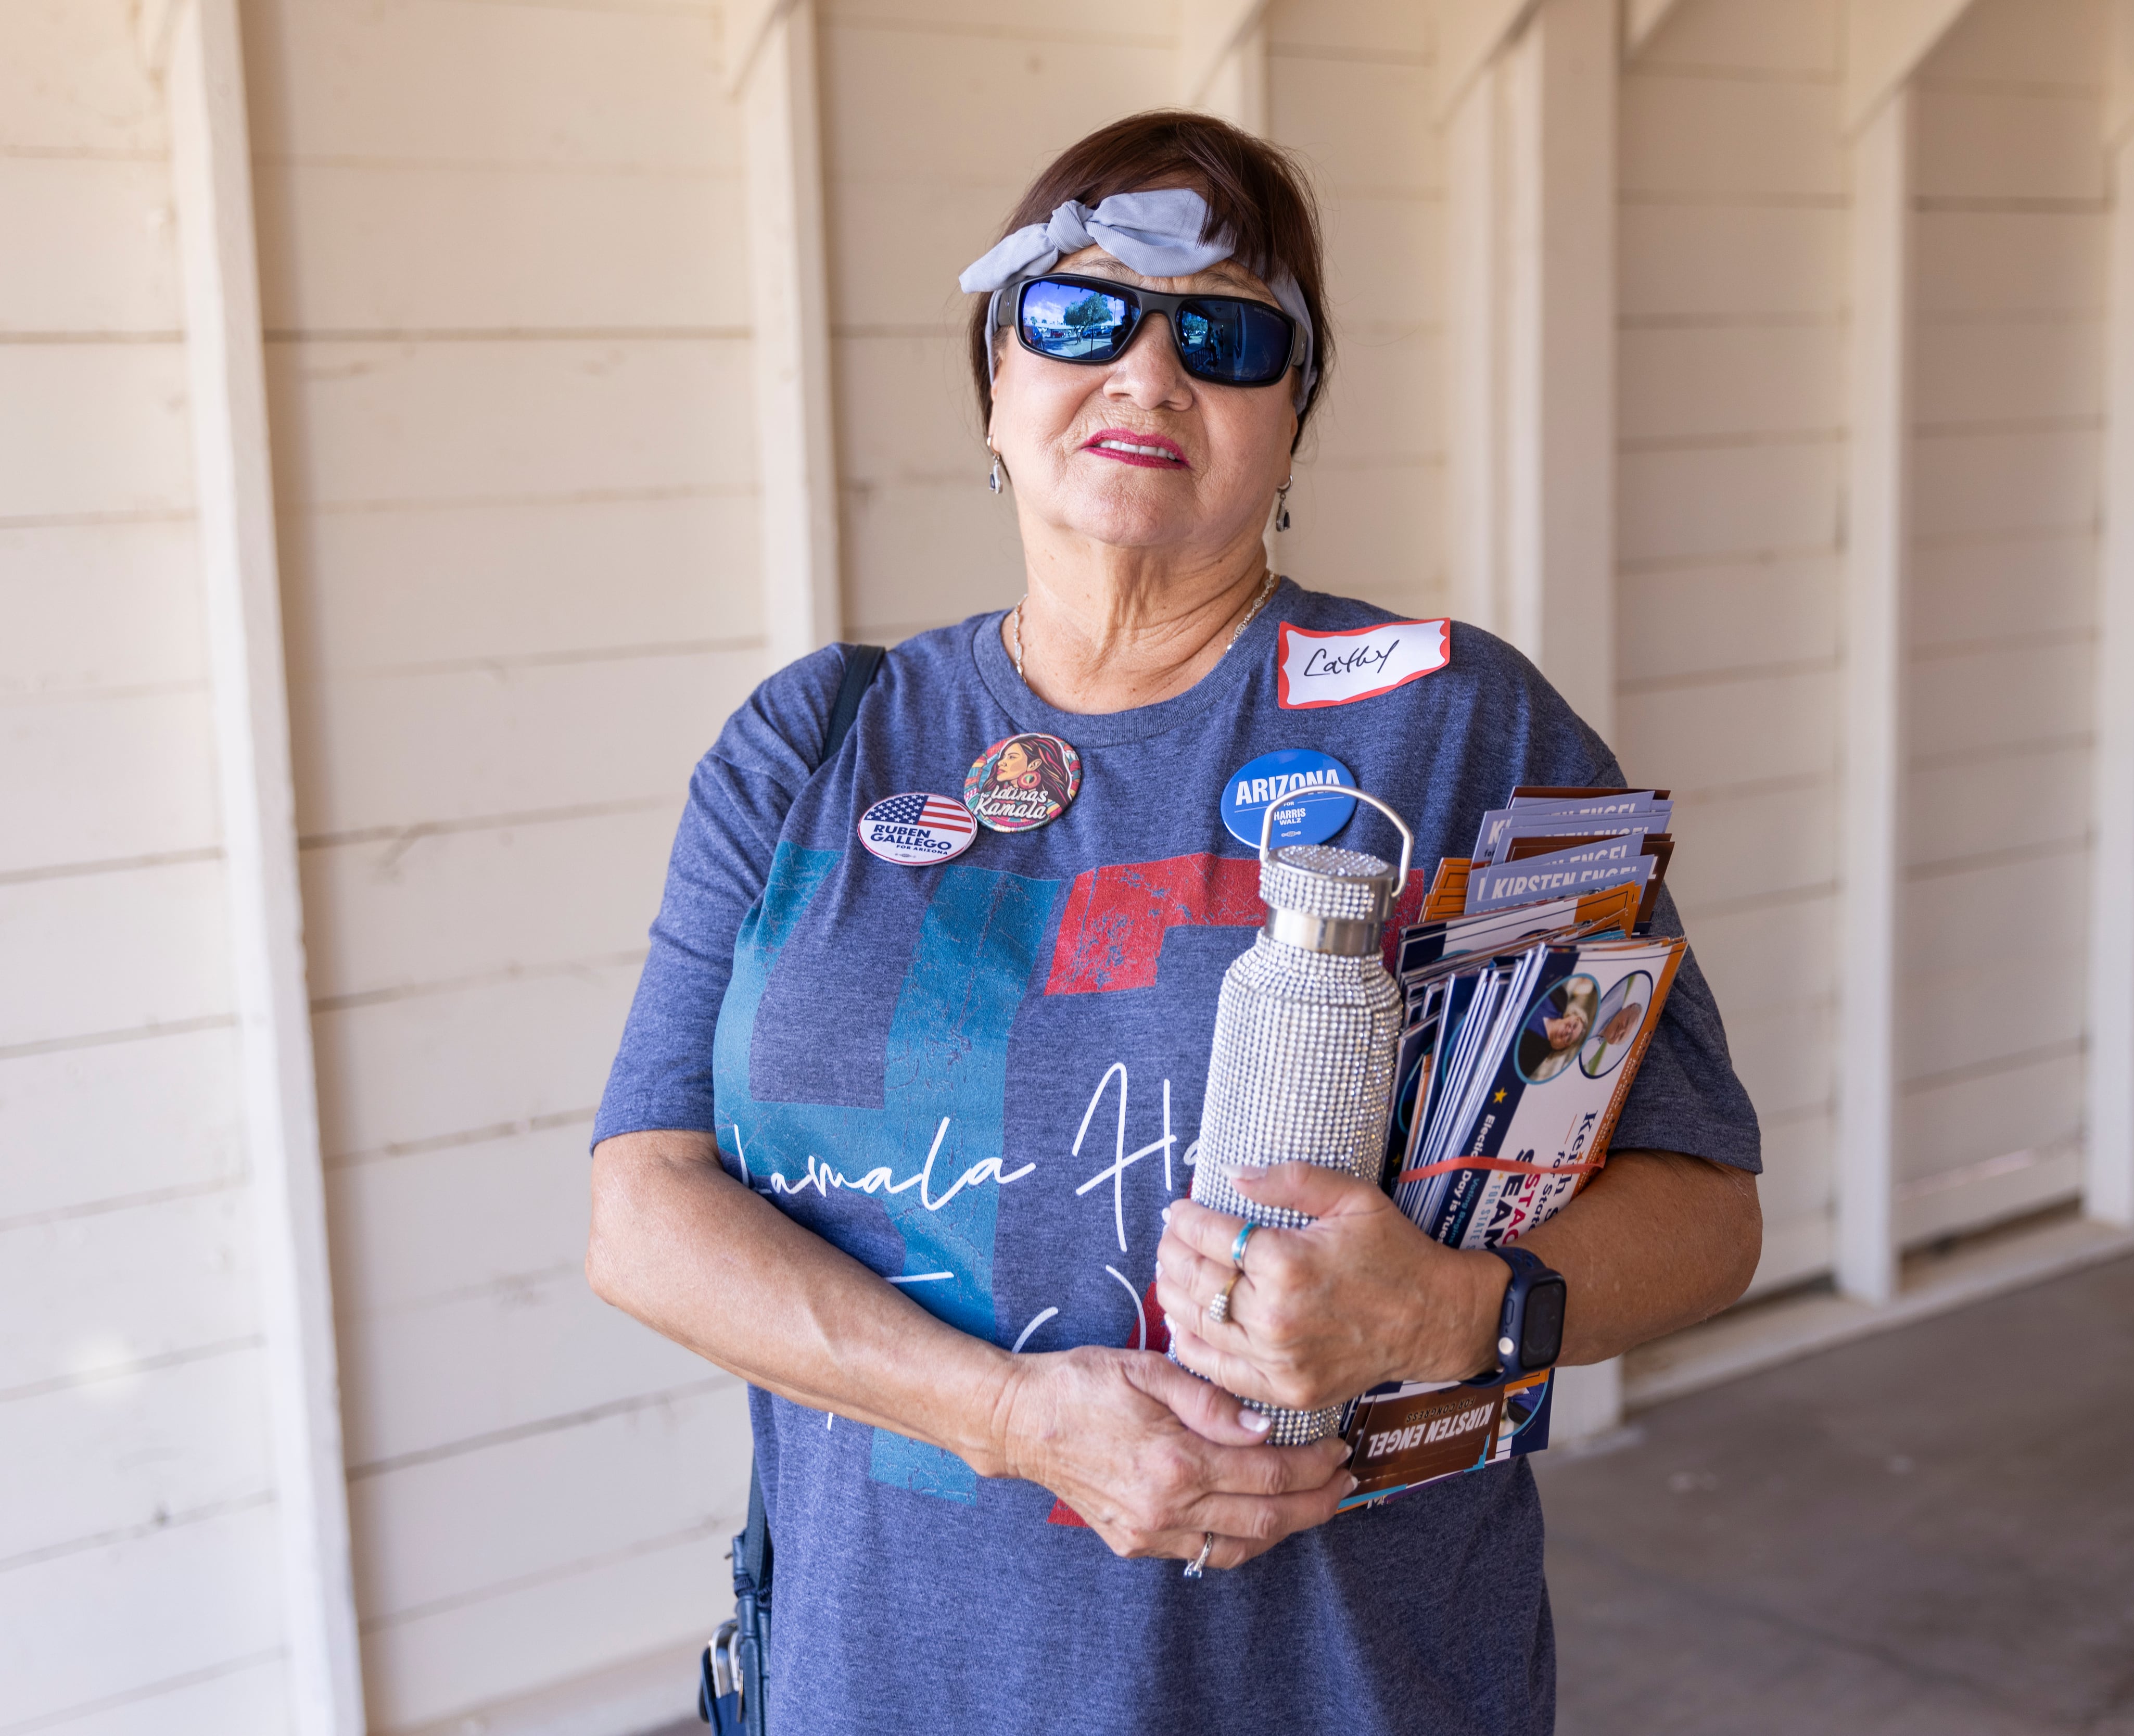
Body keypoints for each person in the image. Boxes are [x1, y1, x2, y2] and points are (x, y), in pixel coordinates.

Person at [587, 110, 1763, 1736]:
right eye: (1081, 317)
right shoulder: (815, 742)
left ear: (1291, 428)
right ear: (992, 383)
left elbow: (1706, 1210)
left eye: (1226, 337)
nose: (1150, 376)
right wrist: (1010, 1415)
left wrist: (1443, 1310)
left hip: (1333, 1689)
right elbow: (644, 1214)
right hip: (884, 1687)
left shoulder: (1455, 730)